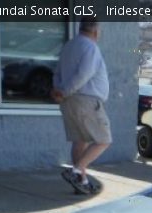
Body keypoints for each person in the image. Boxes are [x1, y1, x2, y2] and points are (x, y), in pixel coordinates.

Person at [51, 20, 110, 195]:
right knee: (103, 140)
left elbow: (57, 73)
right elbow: (84, 74)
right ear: (96, 31)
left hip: (69, 102)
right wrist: (65, 91)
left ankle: (81, 181)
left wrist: (59, 91)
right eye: (100, 30)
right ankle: (76, 170)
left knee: (80, 140)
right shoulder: (91, 48)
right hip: (87, 101)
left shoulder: (69, 46)